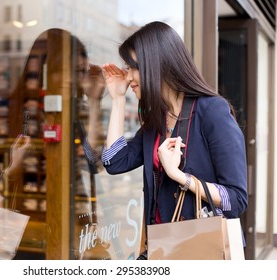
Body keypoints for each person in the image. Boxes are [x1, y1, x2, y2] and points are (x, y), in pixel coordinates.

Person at [101, 21, 248, 259]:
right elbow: (114, 161)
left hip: (201, 252)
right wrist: (117, 100)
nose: (128, 78)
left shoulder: (211, 112)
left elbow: (236, 199)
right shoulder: (156, 121)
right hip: (163, 249)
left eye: (132, 68)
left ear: (156, 65)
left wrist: (180, 176)